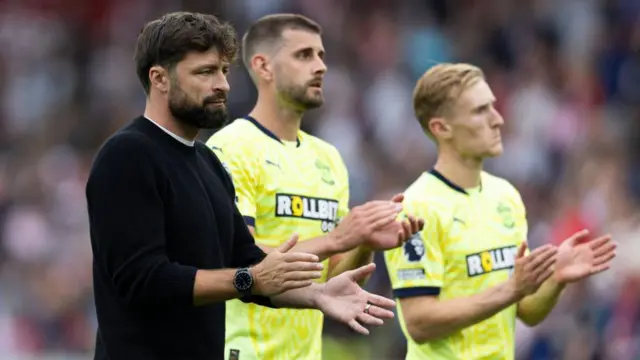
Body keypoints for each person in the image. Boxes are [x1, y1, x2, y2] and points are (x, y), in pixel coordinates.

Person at [86, 12, 398, 360]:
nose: (223, 84)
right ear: (159, 78)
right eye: (205, 72)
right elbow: (142, 279)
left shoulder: (207, 163)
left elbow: (248, 261)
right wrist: (251, 278)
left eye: (223, 70)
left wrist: (318, 295)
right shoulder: (128, 155)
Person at [205, 13, 423, 360]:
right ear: (264, 67)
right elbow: (237, 258)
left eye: (322, 56)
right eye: (304, 55)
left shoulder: (329, 158)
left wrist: (364, 241)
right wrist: (338, 238)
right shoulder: (232, 147)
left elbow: (337, 279)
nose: (320, 66)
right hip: (242, 350)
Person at [383, 63, 618, 360]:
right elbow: (419, 322)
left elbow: (525, 310)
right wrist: (511, 289)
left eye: (493, 107)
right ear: (441, 128)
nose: (498, 119)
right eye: (480, 111)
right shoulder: (417, 207)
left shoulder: (506, 197)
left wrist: (555, 280)